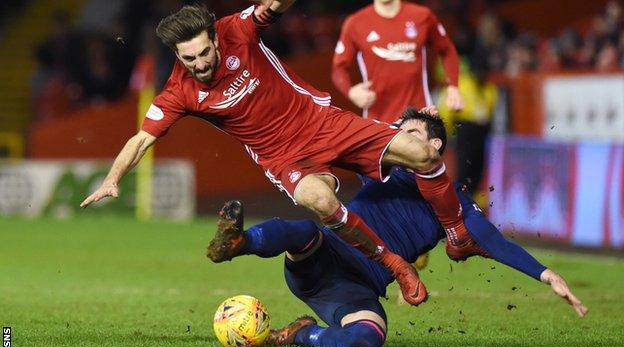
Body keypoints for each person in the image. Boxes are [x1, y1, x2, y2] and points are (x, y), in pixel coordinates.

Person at [79, 1, 483, 306]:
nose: (200, 63)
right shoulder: (179, 92)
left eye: (205, 52)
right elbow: (140, 140)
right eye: (190, 58)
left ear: (215, 39)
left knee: (422, 155)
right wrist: (113, 179)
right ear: (178, 57)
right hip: (284, 158)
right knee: (320, 201)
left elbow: (273, 5)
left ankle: (457, 234)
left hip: (321, 122)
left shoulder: (236, 29)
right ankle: (394, 264)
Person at [206, 107, 588, 347]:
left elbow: (493, 241)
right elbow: (340, 137)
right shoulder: (383, 168)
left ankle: (300, 334)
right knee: (306, 230)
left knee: (369, 337)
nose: (398, 141)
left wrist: (546, 274)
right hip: (323, 259)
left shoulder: (455, 205)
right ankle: (240, 242)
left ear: (435, 144)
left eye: (411, 135)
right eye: (397, 134)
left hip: (358, 289)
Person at [332, 0, 464, 122]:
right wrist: (351, 92)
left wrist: (453, 86)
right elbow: (338, 69)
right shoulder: (355, 23)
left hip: (421, 116)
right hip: (378, 121)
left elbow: (447, 50)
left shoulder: (422, 15)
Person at [438, 57, 498, 195]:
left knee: (478, 168)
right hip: (465, 129)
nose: (481, 75)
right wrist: (446, 131)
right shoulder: (461, 84)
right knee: (463, 168)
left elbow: (490, 111)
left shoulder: (490, 88)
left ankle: (472, 200)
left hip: (482, 131)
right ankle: (461, 199)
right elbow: (446, 108)